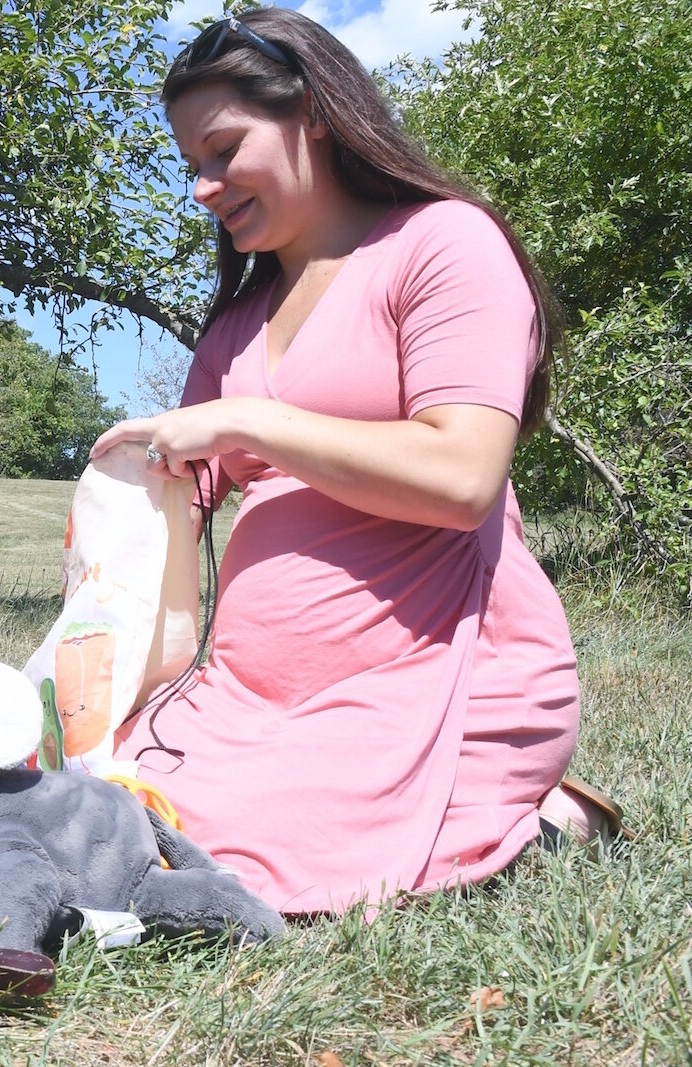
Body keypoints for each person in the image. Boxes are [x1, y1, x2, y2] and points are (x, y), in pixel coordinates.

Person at [91, 9, 611, 915]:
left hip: (429, 678)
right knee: (108, 793)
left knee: (216, 853)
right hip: (251, 695)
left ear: (314, 113)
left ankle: (516, 806)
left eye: (223, 150)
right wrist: (145, 470)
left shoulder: (444, 243)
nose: (205, 187)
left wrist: (248, 418)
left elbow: (463, 478)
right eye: (193, 167)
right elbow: (199, 477)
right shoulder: (236, 324)